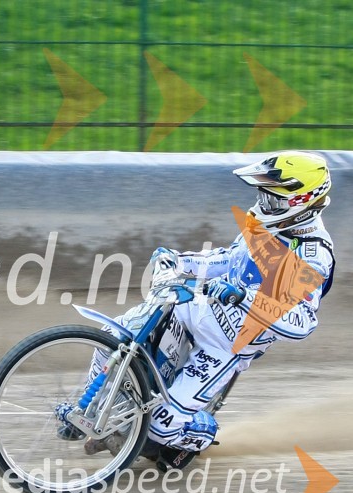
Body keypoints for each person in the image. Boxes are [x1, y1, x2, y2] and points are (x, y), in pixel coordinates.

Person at [61, 151, 335, 470]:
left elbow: (302, 321)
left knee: (161, 426)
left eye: (272, 197)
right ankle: (91, 409)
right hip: (195, 309)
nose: (263, 202)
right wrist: (180, 261)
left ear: (301, 200)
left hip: (227, 344)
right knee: (116, 337)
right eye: (262, 193)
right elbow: (226, 259)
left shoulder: (314, 255)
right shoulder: (264, 223)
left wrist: (244, 296)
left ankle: (192, 432)